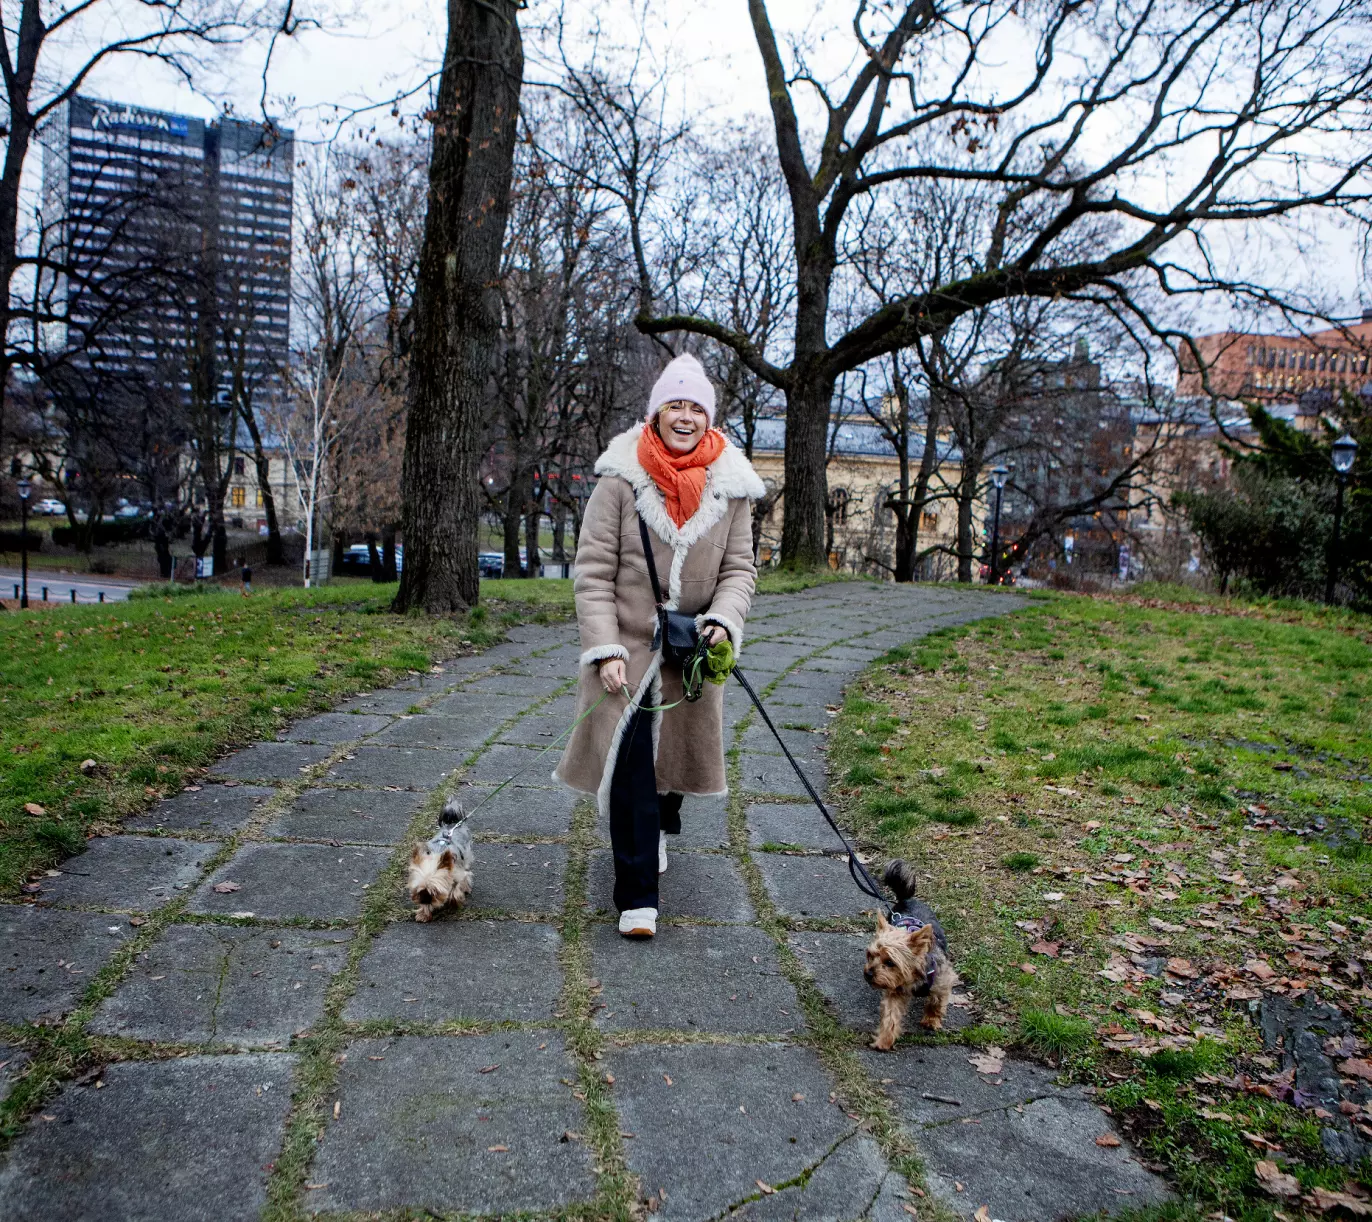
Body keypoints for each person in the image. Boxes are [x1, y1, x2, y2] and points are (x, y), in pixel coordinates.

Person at [556, 353, 764, 938]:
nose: (685, 416)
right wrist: (605, 650)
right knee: (629, 770)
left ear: (709, 418)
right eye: (675, 404)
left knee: (670, 770)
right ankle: (637, 897)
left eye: (696, 407)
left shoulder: (733, 489)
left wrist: (724, 618)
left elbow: (740, 570)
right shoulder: (619, 482)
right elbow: (592, 573)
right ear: (656, 413)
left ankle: (661, 825)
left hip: (689, 650)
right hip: (625, 647)